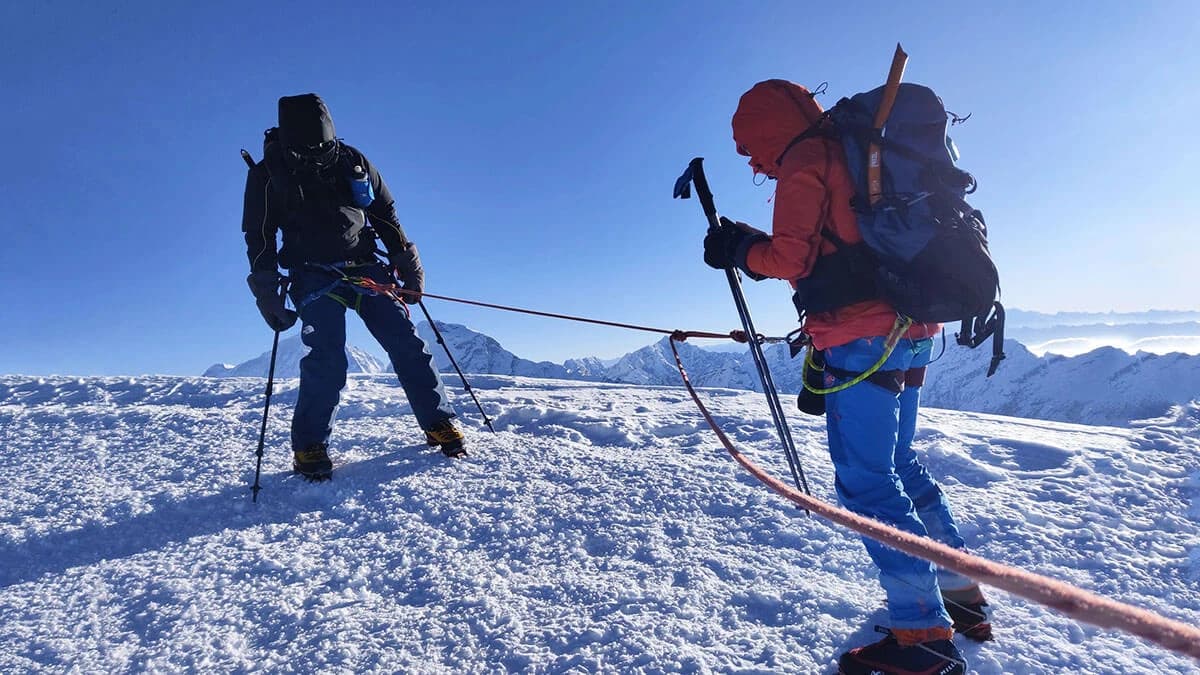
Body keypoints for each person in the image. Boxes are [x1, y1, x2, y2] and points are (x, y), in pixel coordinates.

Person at [703, 79, 992, 675]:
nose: (752, 162)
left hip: (861, 338)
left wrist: (737, 250)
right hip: (912, 330)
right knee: (902, 464)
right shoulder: (854, 151)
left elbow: (791, 259)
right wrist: (752, 245)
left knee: (866, 484)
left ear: (766, 130)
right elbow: (836, 239)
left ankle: (923, 635)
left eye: (750, 147)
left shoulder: (805, 159)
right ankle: (961, 593)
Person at [241, 93, 464, 480]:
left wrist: (408, 267)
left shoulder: (352, 160)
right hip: (312, 274)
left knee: (407, 343)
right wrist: (267, 292)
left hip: (367, 268)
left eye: (322, 144)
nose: (316, 152)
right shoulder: (267, 173)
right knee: (327, 357)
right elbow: (259, 236)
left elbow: (384, 214)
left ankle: (438, 422)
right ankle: (309, 445)